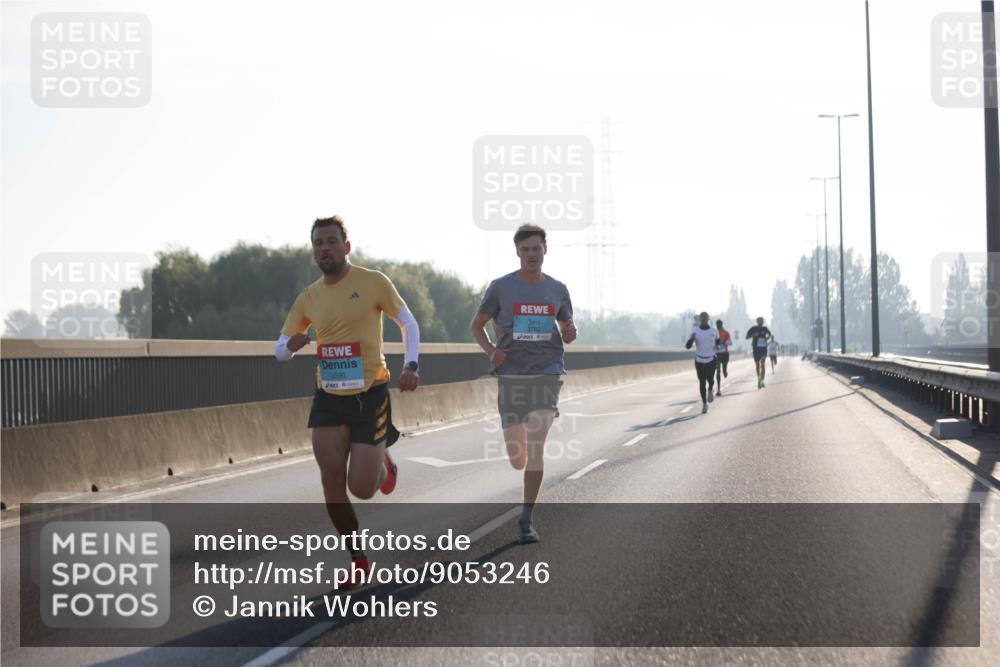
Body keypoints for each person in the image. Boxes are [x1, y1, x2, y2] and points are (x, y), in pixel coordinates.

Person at [275, 215, 420, 587]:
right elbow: (280, 350)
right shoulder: (309, 296)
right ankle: (358, 560)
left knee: (362, 489)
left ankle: (384, 461)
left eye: (331, 241)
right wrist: (291, 345)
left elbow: (408, 323)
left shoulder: (373, 282)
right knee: (332, 483)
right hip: (329, 397)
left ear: (346, 246)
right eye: (318, 243)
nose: (324, 249)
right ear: (314, 251)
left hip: (371, 394)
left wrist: (411, 365)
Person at [470, 223, 576, 544]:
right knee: (518, 458)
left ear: (545, 250)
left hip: (547, 371)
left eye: (536, 248)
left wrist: (571, 331)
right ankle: (523, 469)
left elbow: (567, 326)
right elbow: (477, 326)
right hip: (512, 374)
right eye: (525, 249)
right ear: (517, 252)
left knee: (536, 443)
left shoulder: (557, 289)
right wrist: (492, 351)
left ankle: (526, 518)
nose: (531, 254)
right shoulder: (501, 287)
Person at [685, 312, 719, 413]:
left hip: (711, 359)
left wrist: (717, 345)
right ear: (700, 319)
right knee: (702, 382)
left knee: (711, 380)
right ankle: (704, 404)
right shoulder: (695, 331)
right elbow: (688, 346)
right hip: (699, 360)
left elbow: (718, 341)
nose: (703, 319)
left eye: (705, 317)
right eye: (702, 317)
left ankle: (710, 389)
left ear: (708, 319)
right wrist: (692, 339)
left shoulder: (714, 331)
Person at [745, 317, 773, 389]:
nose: (761, 322)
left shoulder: (765, 328)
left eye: (762, 321)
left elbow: (770, 335)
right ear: (757, 322)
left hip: (763, 348)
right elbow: (746, 337)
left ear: (763, 322)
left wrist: (767, 338)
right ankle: (759, 378)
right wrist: (753, 335)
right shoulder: (753, 328)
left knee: (763, 363)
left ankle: (762, 381)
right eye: (759, 321)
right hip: (756, 349)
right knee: (757, 365)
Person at [714, 318, 732, 397]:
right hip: (717, 354)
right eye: (717, 324)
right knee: (718, 371)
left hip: (725, 353)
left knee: (724, 370)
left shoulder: (726, 332)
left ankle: (725, 371)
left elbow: (730, 342)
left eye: (719, 324)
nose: (718, 326)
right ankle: (718, 390)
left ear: (721, 324)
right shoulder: (714, 333)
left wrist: (724, 342)